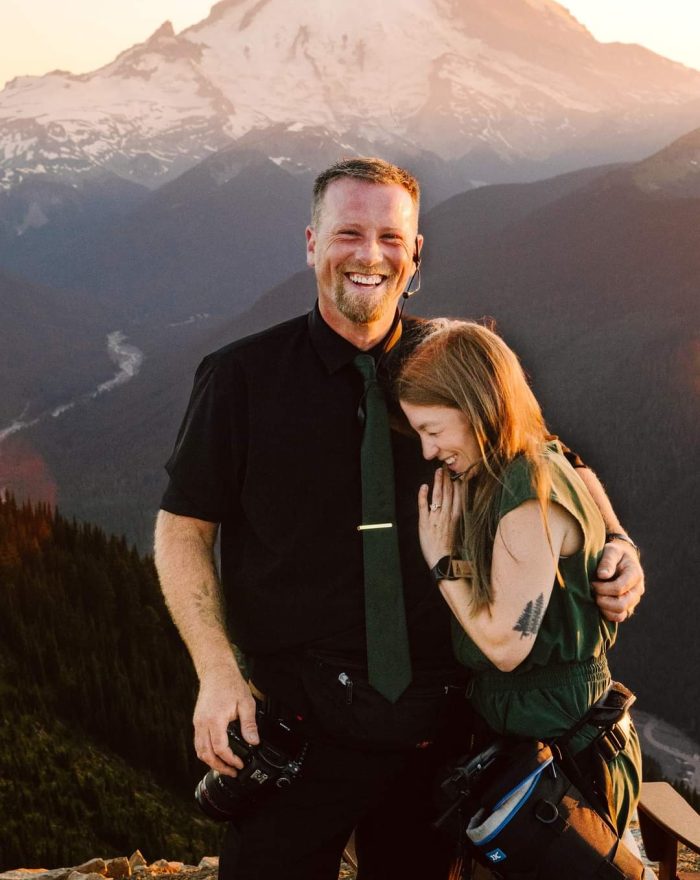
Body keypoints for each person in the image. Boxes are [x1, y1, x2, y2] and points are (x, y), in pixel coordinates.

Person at [153, 157, 644, 880]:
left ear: (416, 254)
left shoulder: (454, 364)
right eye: (348, 232)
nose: (369, 254)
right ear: (311, 243)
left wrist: (623, 545)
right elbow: (182, 529)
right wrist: (217, 671)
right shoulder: (241, 379)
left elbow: (553, 458)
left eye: (391, 237)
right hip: (299, 730)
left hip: (447, 736)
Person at [397, 319, 642, 845]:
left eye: (432, 430)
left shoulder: (526, 495)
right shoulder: (523, 466)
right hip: (546, 737)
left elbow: (507, 645)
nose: (426, 450)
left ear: (476, 408)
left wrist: (443, 561)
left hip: (561, 751)